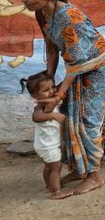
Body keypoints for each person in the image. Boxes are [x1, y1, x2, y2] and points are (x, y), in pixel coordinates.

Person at [17, 0, 105, 195]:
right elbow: (52, 50)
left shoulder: (69, 18)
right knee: (71, 115)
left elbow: (76, 64)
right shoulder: (42, 13)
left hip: (100, 67)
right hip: (78, 66)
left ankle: (95, 176)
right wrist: (48, 80)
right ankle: (80, 167)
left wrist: (59, 94)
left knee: (88, 119)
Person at [20, 71, 72, 199]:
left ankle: (49, 185)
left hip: (45, 144)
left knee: (49, 166)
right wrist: (53, 115)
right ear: (34, 95)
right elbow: (36, 117)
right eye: (46, 90)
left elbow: (57, 94)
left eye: (52, 87)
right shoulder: (40, 105)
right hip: (47, 145)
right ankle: (56, 191)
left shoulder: (48, 101)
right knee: (56, 167)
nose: (51, 91)